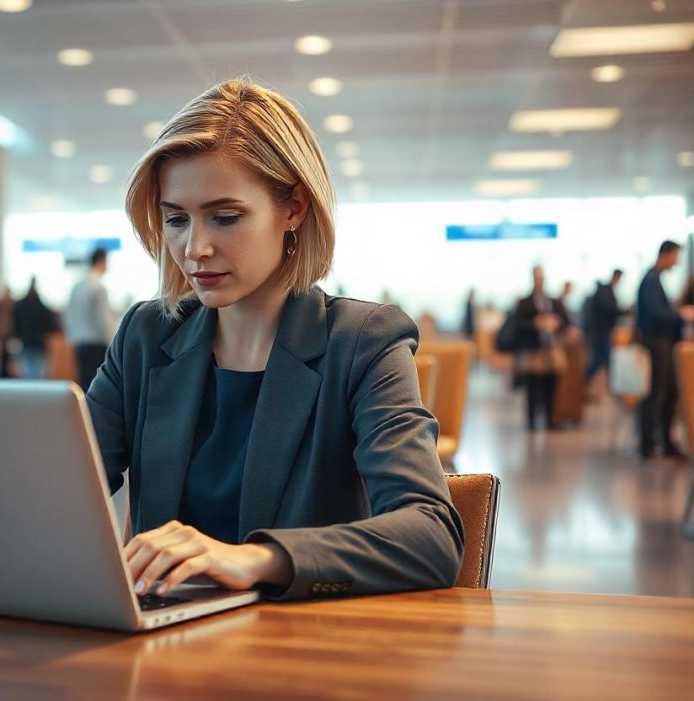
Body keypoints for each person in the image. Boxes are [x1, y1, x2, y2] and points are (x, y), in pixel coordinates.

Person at [86, 78, 463, 601]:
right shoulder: (145, 336)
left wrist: (256, 559)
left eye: (224, 217)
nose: (194, 249)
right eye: (176, 220)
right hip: (161, 650)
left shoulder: (362, 343)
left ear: (294, 209)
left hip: (298, 650)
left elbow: (431, 536)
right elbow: (62, 491)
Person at [636, 241, 694, 459]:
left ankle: (663, 441)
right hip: (656, 342)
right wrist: (681, 315)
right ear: (666, 255)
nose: (677, 262)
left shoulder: (654, 279)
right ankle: (649, 444)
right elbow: (655, 314)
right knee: (655, 392)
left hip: (662, 342)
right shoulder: (651, 280)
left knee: (665, 392)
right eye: (676, 257)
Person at [513, 266, 571, 431]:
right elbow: (518, 325)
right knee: (533, 386)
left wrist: (556, 323)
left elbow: (566, 321)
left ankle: (550, 418)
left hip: (552, 348)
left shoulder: (553, 301)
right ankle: (531, 420)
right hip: (534, 350)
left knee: (551, 385)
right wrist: (536, 323)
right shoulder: (525, 302)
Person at [64, 248, 115, 391]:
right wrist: (112, 342)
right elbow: (103, 320)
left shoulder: (76, 286)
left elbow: (69, 315)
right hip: (96, 344)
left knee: (84, 384)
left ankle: (82, 413)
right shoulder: (98, 288)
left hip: (79, 343)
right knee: (97, 388)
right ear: (101, 261)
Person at [584, 269, 626, 386]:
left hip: (602, 331)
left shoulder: (606, 291)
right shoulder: (605, 291)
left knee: (603, 359)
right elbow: (608, 309)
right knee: (601, 359)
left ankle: (588, 384)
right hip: (600, 331)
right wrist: (623, 311)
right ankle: (584, 383)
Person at [15, 278, 58, 380]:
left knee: (26, 371)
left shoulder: (21, 305)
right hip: (38, 342)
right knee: (37, 372)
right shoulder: (40, 306)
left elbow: (16, 323)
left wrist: (18, 335)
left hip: (26, 341)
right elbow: (49, 323)